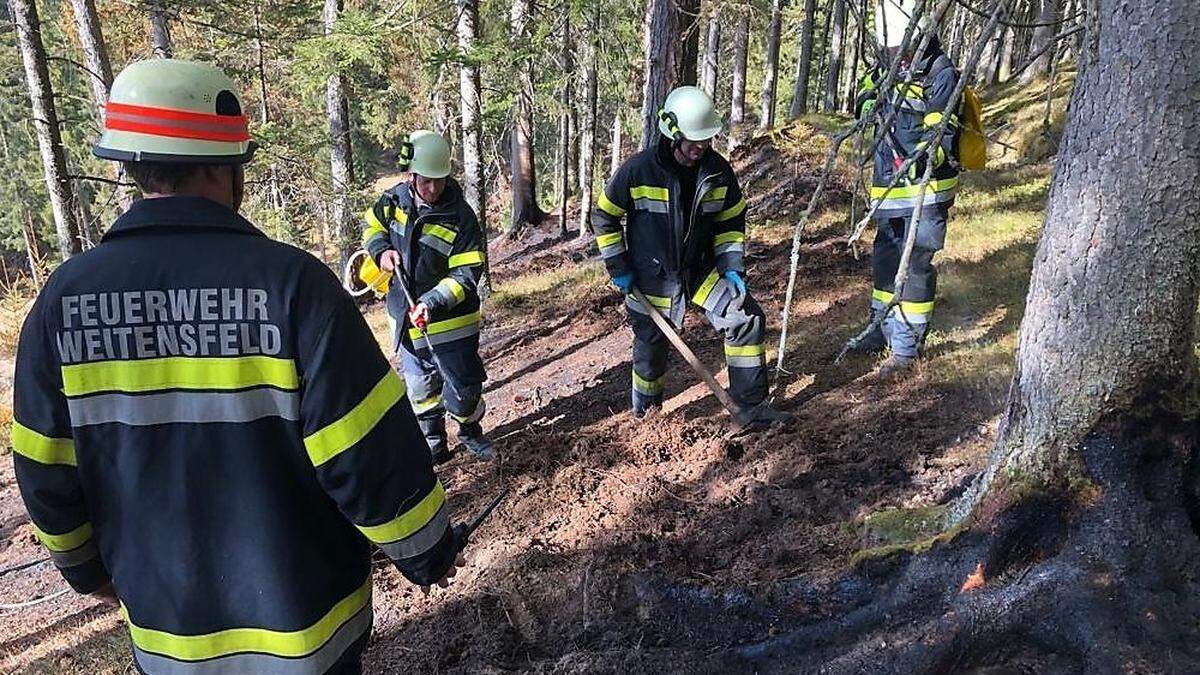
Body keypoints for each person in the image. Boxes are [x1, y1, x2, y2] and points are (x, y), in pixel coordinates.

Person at [11, 59, 461, 675]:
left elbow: (43, 467)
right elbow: (366, 450)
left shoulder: (62, 302)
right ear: (225, 165)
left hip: (168, 644)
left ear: (130, 163)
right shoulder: (293, 287)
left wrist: (87, 571)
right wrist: (428, 550)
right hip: (309, 641)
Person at [592, 85, 767, 417]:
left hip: (700, 270)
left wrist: (731, 264)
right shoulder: (638, 170)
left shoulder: (718, 173)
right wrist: (619, 267)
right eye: (693, 141)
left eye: (705, 140)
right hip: (651, 277)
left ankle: (752, 407)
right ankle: (646, 417)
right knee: (650, 348)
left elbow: (730, 221)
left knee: (745, 318)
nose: (700, 147)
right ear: (672, 133)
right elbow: (604, 216)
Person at [362, 130, 493, 463]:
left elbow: (465, 275)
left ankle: (470, 432)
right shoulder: (392, 201)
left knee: (463, 388)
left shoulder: (461, 218)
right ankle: (434, 444)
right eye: (426, 181)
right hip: (406, 318)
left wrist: (432, 302)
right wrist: (381, 251)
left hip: (452, 321)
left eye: (440, 180)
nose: (433, 189)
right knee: (420, 388)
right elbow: (372, 227)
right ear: (411, 175)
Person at [852, 0, 961, 375]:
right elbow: (863, 95)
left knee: (914, 264)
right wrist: (867, 103)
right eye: (891, 49)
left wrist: (920, 157)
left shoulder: (941, 72)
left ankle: (906, 348)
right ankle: (880, 329)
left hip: (926, 192)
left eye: (901, 48)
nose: (895, 54)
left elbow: (941, 136)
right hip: (889, 189)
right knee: (885, 258)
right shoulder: (886, 64)